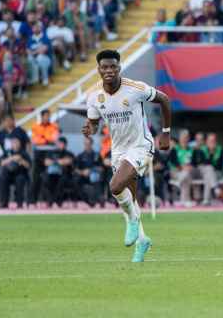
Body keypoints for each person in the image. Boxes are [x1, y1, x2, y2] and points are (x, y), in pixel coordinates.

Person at [83, 49, 171, 263]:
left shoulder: (135, 88)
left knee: (114, 186)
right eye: (105, 67)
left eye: (113, 66)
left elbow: (164, 99)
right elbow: (94, 121)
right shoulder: (93, 95)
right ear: (99, 70)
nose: (109, 71)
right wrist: (90, 128)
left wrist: (166, 133)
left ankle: (131, 222)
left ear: (119, 67)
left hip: (141, 145)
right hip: (119, 150)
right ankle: (142, 241)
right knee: (129, 198)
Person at [41, 137, 76, 208]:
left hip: (65, 174)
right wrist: (58, 162)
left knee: (62, 181)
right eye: (59, 143)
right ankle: (50, 200)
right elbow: (46, 162)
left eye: (62, 144)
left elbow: (68, 161)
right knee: (45, 179)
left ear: (65, 145)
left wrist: (55, 162)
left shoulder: (68, 153)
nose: (60, 145)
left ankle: (58, 201)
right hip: (52, 174)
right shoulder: (51, 152)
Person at [0, 137, 31, 208]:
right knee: (2, 179)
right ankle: (3, 203)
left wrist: (21, 160)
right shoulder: (7, 152)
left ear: (20, 144)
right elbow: (1, 163)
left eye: (16, 142)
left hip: (20, 173)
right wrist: (11, 158)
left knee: (20, 180)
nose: (15, 144)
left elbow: (29, 166)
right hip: (8, 174)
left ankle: (19, 203)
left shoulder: (23, 153)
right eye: (13, 143)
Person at [192, 132, 223, 205]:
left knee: (209, 174)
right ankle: (215, 189)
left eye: (213, 140)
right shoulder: (202, 149)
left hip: (217, 173)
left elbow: (220, 165)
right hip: (203, 172)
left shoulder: (220, 149)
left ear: (216, 141)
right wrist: (211, 153)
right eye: (210, 141)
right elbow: (202, 163)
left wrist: (212, 153)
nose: (212, 142)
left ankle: (206, 200)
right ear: (206, 142)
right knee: (209, 170)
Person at [75, 136, 105, 207]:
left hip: (95, 176)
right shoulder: (80, 156)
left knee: (96, 177)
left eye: (88, 144)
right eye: (85, 144)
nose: (87, 146)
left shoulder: (97, 155)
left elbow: (101, 168)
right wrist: (82, 172)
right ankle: (89, 201)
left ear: (91, 144)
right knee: (76, 180)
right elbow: (76, 169)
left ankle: (100, 200)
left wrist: (91, 170)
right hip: (83, 177)